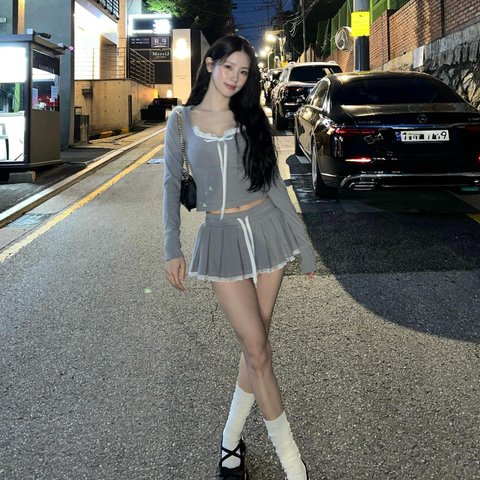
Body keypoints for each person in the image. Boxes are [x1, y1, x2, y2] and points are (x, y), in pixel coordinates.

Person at [163, 35, 316, 480]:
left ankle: (231, 445)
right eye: (229, 67)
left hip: (268, 232)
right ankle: (294, 467)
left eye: (244, 72)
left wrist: (305, 245)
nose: (235, 77)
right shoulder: (181, 122)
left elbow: (274, 185)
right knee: (257, 348)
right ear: (211, 64)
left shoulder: (250, 119)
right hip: (221, 238)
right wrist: (171, 247)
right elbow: (171, 185)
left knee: (256, 348)